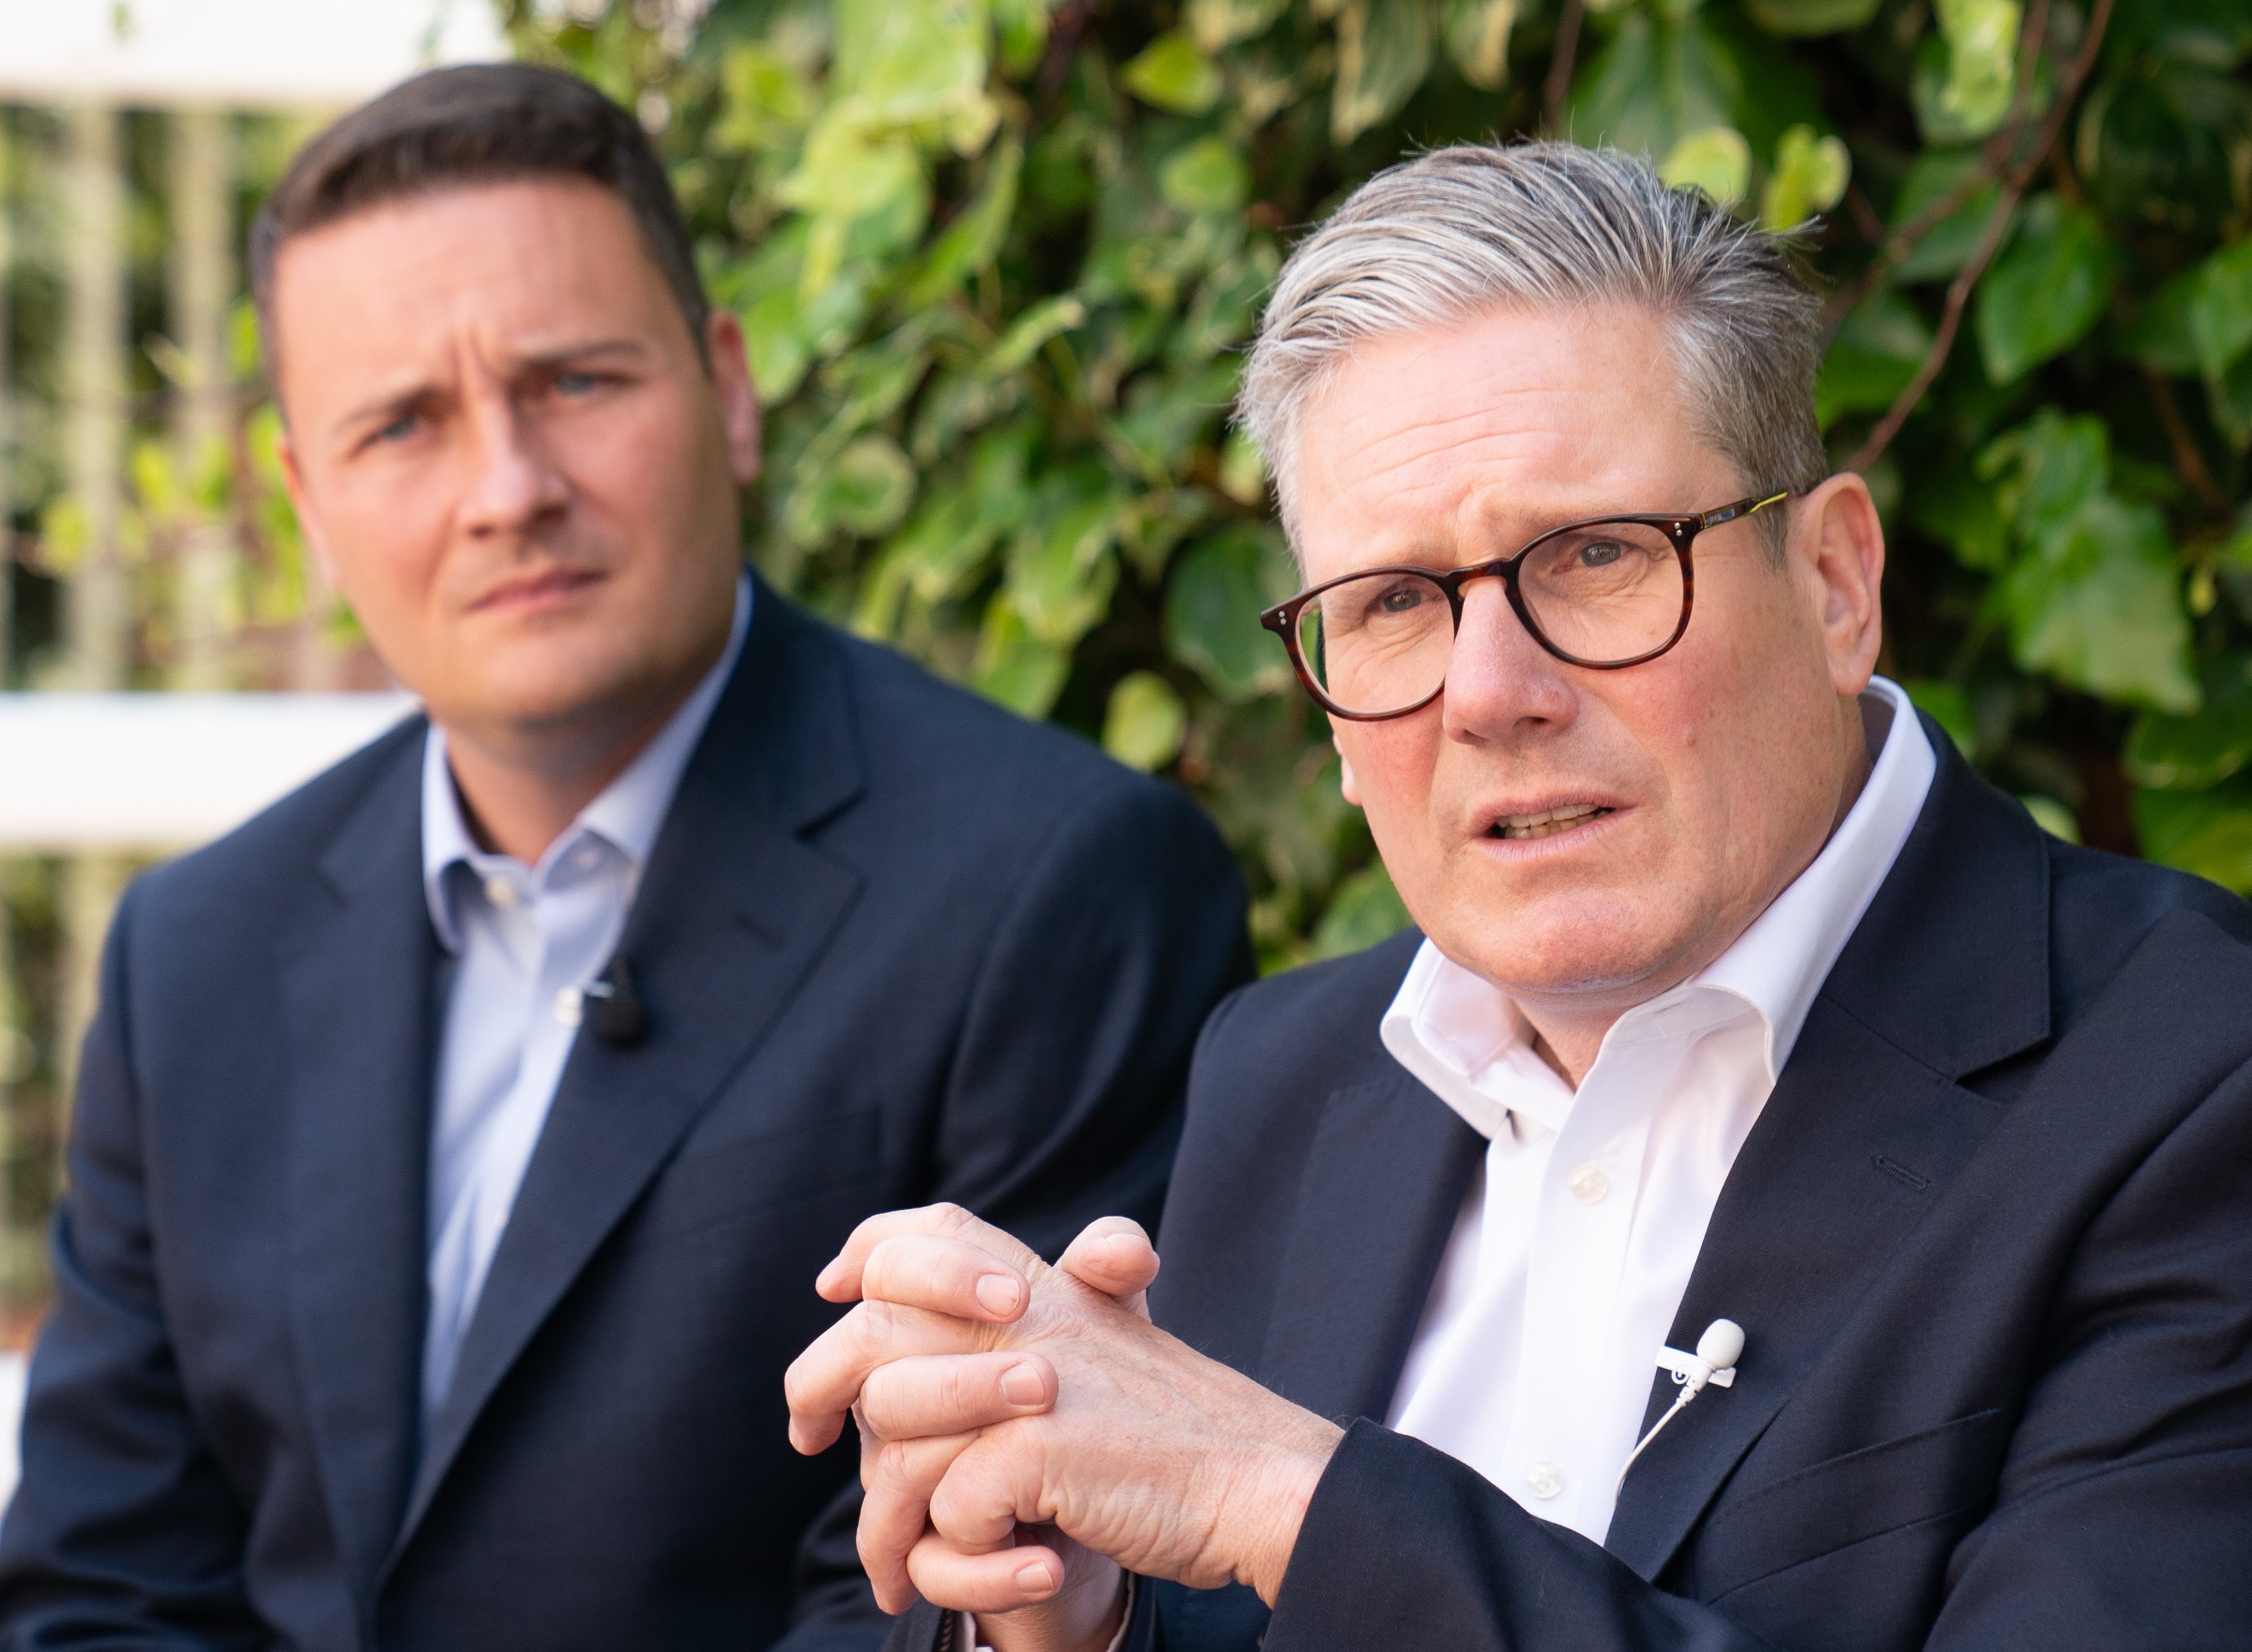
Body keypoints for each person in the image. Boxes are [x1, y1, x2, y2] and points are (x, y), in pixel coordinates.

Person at [787, 142, 2252, 1652]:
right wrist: (1073, 1611)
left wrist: (1289, 1498)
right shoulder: (1285, 1078)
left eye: (1597, 554)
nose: (1491, 693)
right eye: (1396, 604)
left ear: (1833, 581)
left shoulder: (2199, 1082)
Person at [0, 64, 1251, 1652]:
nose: (507, 491)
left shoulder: (1064, 891)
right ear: (307, 501)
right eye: (402, 425)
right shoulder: (194, 952)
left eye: (575, 381)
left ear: (726, 388)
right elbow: (104, 1594)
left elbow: (941, 1595)